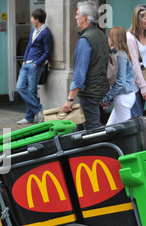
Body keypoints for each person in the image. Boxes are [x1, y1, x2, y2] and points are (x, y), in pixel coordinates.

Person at [62, 1, 109, 131]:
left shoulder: (85, 40)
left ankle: (100, 151)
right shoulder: (101, 35)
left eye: (77, 14)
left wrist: (69, 99)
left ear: (85, 18)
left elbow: (79, 74)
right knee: (81, 129)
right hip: (99, 90)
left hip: (90, 93)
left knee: (92, 130)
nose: (75, 17)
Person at [16, 9, 53, 125]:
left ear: (37, 20)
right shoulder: (33, 30)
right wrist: (24, 60)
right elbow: (29, 46)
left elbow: (48, 51)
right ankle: (38, 109)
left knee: (32, 91)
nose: (31, 20)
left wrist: (37, 62)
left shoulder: (46, 33)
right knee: (20, 87)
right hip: (27, 63)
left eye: (32, 18)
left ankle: (29, 117)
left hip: (35, 65)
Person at [101, 27, 136, 125]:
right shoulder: (122, 54)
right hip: (124, 96)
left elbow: (120, 82)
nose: (108, 40)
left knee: (124, 129)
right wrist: (110, 99)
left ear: (114, 39)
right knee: (109, 128)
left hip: (123, 97)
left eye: (109, 38)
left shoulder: (120, 55)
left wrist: (107, 98)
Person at [127, 5, 146, 118]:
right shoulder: (130, 37)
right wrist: (143, 88)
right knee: (136, 120)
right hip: (133, 86)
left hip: (144, 81)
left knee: (137, 119)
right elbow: (135, 65)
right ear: (138, 20)